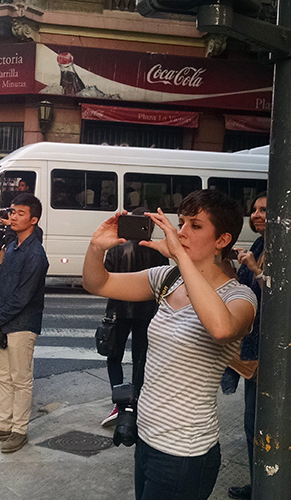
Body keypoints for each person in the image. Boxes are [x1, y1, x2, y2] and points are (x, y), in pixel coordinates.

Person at [83, 190, 256, 500]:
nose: (182, 232)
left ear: (222, 240)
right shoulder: (167, 278)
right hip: (147, 439)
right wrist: (96, 246)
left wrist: (179, 256)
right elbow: (98, 283)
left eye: (196, 226)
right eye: (181, 223)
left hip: (184, 453)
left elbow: (221, 328)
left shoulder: (239, 297)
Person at [0, 193, 48, 454]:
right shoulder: (12, 246)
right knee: (3, 378)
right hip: (2, 322)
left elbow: (23, 297)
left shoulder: (36, 255)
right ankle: (1, 425)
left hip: (22, 325)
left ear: (34, 220)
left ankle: (19, 430)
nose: (13, 216)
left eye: (20, 213)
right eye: (12, 212)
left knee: (21, 379)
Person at [100, 208, 168, 427]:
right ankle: (136, 400)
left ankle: (119, 402)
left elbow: (105, 277)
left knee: (114, 356)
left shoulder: (117, 249)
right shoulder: (157, 251)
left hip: (117, 310)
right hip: (146, 312)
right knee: (141, 356)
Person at [221, 193, 267, 500]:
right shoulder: (260, 244)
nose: (257, 214)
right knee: (253, 423)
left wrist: (255, 268)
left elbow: (284, 296)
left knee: (258, 422)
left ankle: (263, 487)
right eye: (254, 210)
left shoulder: (287, 247)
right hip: (254, 344)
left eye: (264, 210)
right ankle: (259, 484)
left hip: (266, 348)